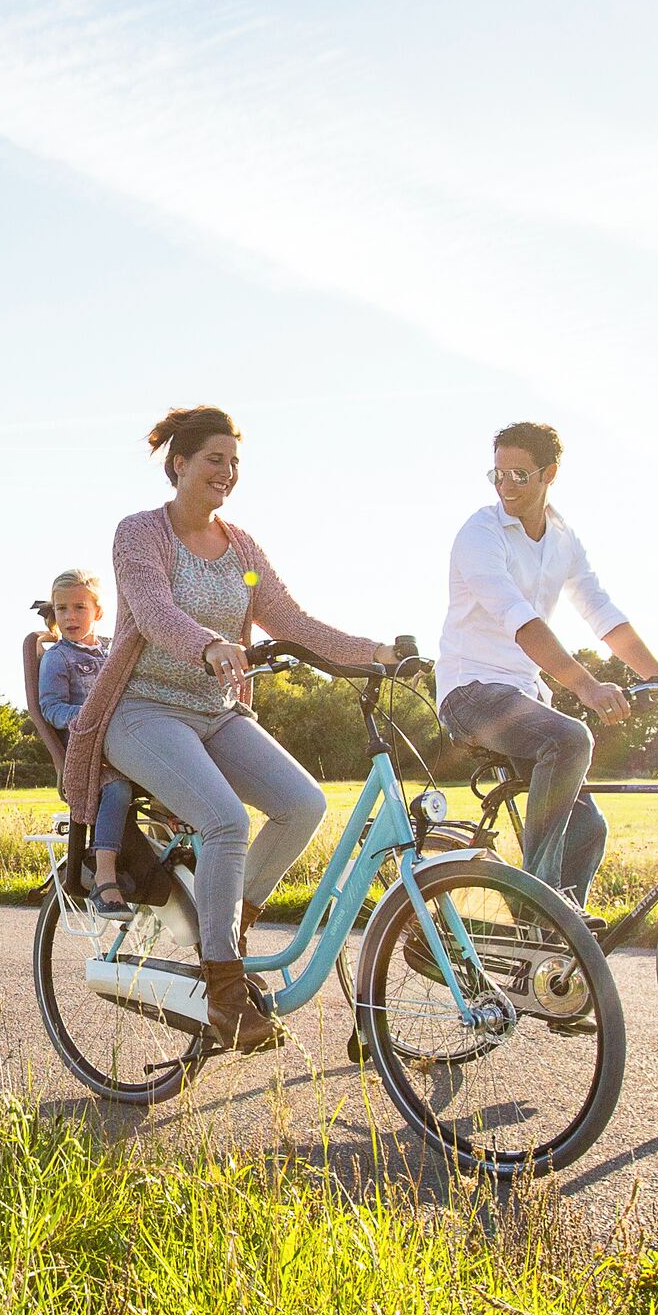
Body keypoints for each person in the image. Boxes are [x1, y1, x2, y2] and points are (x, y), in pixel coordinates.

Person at [56, 406, 396, 1053]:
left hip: (217, 712)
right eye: (215, 459)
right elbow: (153, 612)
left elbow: (293, 622)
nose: (228, 472)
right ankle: (224, 993)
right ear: (179, 464)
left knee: (303, 804)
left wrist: (376, 651)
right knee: (226, 821)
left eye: (234, 462)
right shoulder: (139, 534)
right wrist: (210, 644)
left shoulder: (241, 548)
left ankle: (227, 925)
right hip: (143, 710)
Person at [437, 419, 658, 907]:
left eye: (519, 475)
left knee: (587, 827)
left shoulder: (562, 538)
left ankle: (547, 959)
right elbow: (520, 620)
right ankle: (541, 910)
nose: (507, 487)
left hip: (522, 697)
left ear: (549, 474)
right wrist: (586, 686)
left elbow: (601, 610)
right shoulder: (480, 533)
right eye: (498, 474)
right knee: (569, 737)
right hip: (470, 693)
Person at [34, 569, 137, 910]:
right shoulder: (57, 658)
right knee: (118, 788)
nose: (70, 616)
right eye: (61, 609)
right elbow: (50, 707)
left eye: (79, 607)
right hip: (87, 753)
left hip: (124, 741)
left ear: (98, 612)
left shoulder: (113, 652)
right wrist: (83, 720)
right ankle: (103, 872)